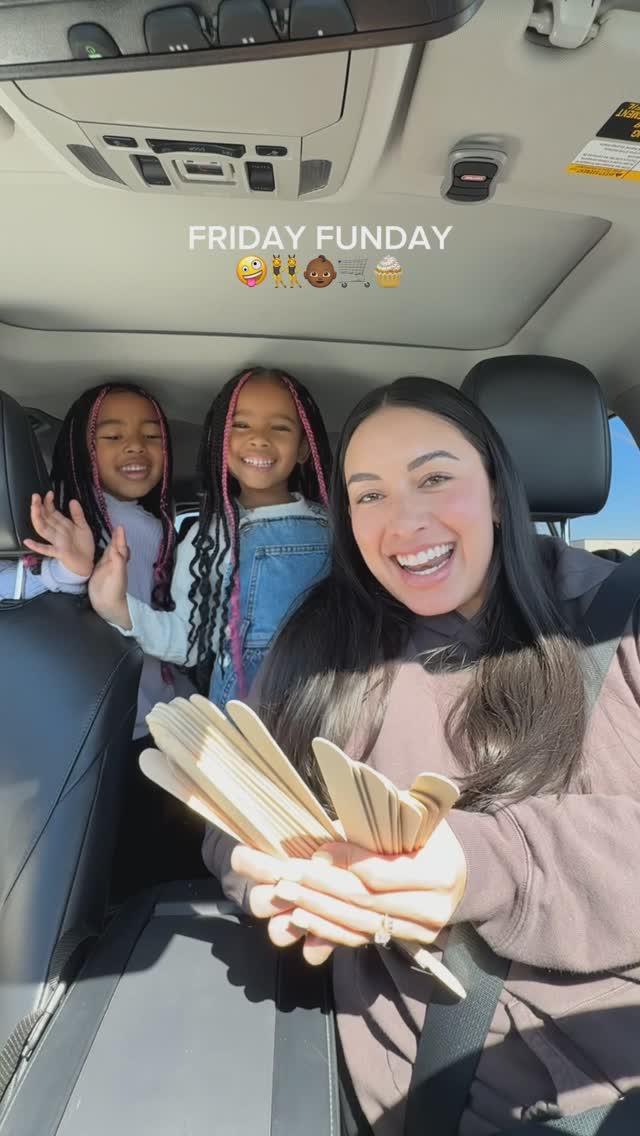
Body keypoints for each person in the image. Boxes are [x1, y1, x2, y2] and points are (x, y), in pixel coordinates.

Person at [203, 377, 640, 1134]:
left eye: (434, 479)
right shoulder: (319, 647)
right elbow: (234, 813)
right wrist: (273, 876)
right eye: (369, 495)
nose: (404, 523)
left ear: (497, 491)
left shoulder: (620, 617)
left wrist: (484, 866)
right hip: (443, 1095)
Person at [89, 366, 332, 705]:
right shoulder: (210, 540)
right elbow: (188, 643)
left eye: (279, 427)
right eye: (241, 425)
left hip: (324, 702)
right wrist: (117, 608)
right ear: (221, 441)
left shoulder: (334, 528)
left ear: (303, 448)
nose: (259, 438)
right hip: (241, 714)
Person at [0, 380, 178, 739]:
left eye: (151, 436)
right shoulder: (138, 527)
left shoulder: (56, 520)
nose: (135, 445)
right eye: (112, 436)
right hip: (140, 720)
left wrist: (61, 573)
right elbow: (152, 635)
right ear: (81, 450)